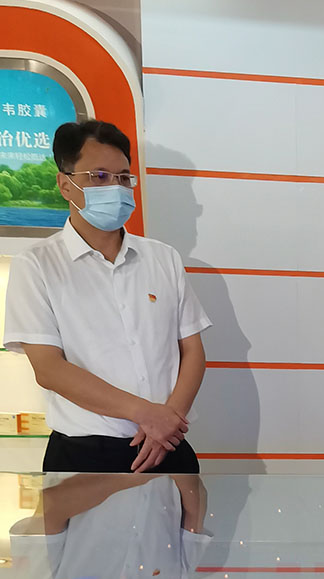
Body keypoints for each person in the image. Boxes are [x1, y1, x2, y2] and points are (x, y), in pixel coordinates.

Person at [2, 120, 211, 473]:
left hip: (168, 445)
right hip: (84, 455)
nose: (115, 187)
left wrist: (167, 420)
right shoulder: (36, 265)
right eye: (99, 176)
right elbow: (49, 369)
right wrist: (147, 415)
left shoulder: (163, 258)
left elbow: (192, 349)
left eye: (123, 178)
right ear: (65, 185)